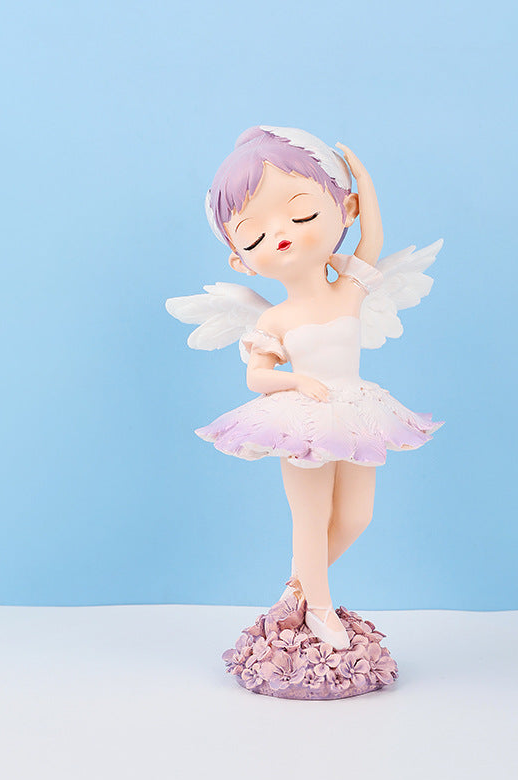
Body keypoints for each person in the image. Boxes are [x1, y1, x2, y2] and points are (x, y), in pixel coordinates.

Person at [167, 126, 443, 652]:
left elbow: (373, 243)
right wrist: (295, 380)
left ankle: (296, 588)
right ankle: (318, 608)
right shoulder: (275, 318)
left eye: (302, 214)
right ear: (240, 260)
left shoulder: (349, 292)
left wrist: (364, 183)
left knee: (356, 516)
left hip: (357, 410)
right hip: (302, 418)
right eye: (253, 238)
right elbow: (256, 377)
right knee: (310, 517)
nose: (281, 235)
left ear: (344, 210)